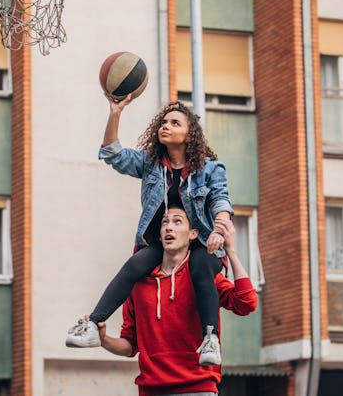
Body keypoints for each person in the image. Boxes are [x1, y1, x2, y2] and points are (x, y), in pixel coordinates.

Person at [66, 96, 233, 366]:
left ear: (189, 134)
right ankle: (93, 325)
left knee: (201, 266)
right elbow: (112, 153)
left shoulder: (210, 169)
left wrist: (218, 229)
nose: (165, 126)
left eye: (174, 123)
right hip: (162, 242)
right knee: (134, 264)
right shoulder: (150, 164)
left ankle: (210, 340)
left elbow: (221, 201)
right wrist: (115, 112)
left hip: (202, 241)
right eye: (163, 122)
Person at [98, 205, 258, 396]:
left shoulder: (203, 279)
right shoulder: (138, 284)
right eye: (165, 222)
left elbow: (246, 303)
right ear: (159, 235)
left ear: (192, 233)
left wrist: (231, 250)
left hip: (198, 388)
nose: (169, 227)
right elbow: (130, 345)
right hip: (151, 390)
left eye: (177, 221)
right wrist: (104, 340)